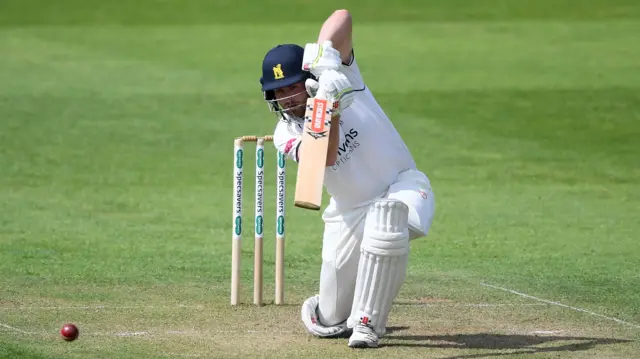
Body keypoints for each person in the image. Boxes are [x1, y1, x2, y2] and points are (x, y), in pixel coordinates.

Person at [258, 9, 435, 348]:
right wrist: (330, 107)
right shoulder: (284, 134)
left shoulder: (343, 75)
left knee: (385, 226)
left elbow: (342, 18)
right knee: (331, 317)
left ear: (308, 78)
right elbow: (323, 157)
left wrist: (325, 58)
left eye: (292, 87)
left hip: (403, 185)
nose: (286, 98)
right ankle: (335, 315)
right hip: (347, 214)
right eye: (279, 92)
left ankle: (368, 323)